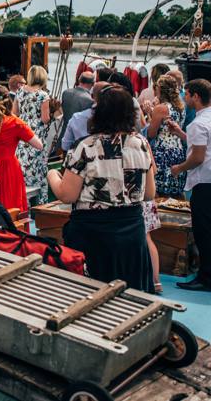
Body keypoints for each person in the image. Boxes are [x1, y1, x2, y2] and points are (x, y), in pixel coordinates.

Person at [48, 85, 158, 292]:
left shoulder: (86, 147)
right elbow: (149, 193)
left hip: (94, 233)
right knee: (131, 299)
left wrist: (52, 175)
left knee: (91, 296)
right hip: (131, 231)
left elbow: (67, 195)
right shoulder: (141, 144)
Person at [171, 83, 211, 291]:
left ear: (195, 96)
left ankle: (206, 279)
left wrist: (179, 168)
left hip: (205, 182)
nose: (184, 96)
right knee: (210, 230)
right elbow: (207, 145)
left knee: (204, 232)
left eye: (186, 94)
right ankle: (210, 272)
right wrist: (180, 133)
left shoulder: (198, 124)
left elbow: (198, 157)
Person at [0, 85, 45, 220]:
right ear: (8, 100)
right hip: (9, 171)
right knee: (11, 211)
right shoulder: (15, 122)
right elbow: (39, 145)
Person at [16, 66, 54, 205]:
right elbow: (45, 119)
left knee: (23, 165)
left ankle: (22, 201)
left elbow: (15, 113)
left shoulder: (20, 91)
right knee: (38, 169)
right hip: (36, 136)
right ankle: (39, 203)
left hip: (22, 134)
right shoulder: (43, 95)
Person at [146, 76, 189, 199]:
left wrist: (150, 113)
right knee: (175, 188)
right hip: (178, 149)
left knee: (162, 190)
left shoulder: (161, 108)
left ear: (160, 89)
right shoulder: (181, 107)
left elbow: (151, 134)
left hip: (163, 151)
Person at [59, 71, 97, 152]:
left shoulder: (65, 93)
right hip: (77, 140)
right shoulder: (89, 100)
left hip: (63, 135)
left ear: (79, 80)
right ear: (93, 84)